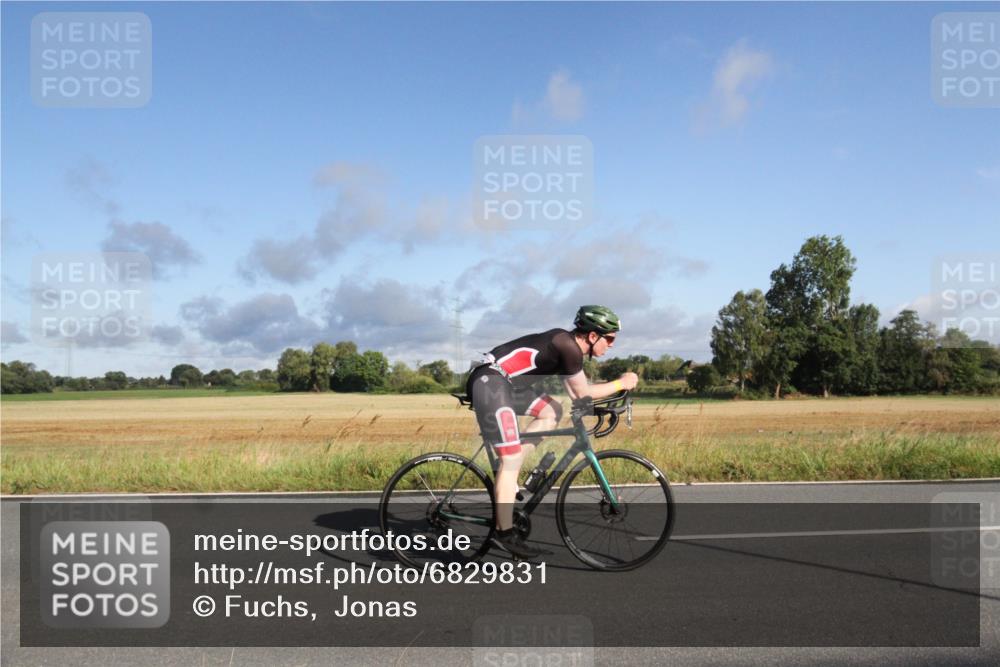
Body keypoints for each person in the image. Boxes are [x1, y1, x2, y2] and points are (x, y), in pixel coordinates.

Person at [465, 305, 639, 559]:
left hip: (503, 384)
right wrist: (621, 383)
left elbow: (575, 395)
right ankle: (504, 533)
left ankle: (510, 475)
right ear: (592, 336)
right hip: (491, 383)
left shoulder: (568, 348)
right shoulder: (566, 345)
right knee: (510, 458)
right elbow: (583, 393)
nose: (611, 345)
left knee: (552, 410)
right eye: (610, 338)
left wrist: (603, 406)